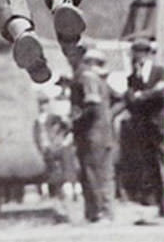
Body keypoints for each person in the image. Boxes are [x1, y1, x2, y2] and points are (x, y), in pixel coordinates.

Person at [70, 47, 115, 223]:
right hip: (103, 132)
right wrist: (109, 117)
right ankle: (101, 211)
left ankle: (100, 212)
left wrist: (75, 120)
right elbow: (120, 99)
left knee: (94, 172)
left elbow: (92, 105)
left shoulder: (87, 78)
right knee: (103, 172)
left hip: (91, 133)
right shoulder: (102, 81)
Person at [124, 38, 164, 221]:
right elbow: (130, 100)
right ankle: (161, 205)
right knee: (152, 167)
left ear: (146, 53)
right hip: (144, 128)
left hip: (160, 125)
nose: (136, 58)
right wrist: (145, 95)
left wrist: (144, 95)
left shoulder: (160, 72)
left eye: (138, 54)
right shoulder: (132, 77)